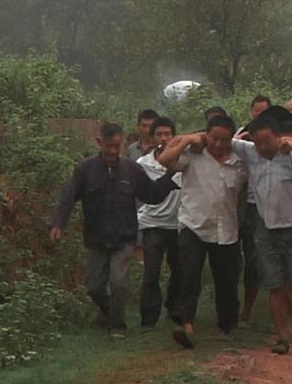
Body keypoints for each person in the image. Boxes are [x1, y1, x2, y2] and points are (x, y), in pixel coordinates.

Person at [51, 122, 179, 337]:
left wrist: (170, 176)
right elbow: (68, 197)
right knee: (95, 287)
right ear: (99, 142)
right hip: (95, 238)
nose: (112, 151)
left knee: (119, 283)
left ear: (122, 144)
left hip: (124, 237)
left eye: (116, 147)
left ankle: (117, 326)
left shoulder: (131, 169)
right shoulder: (85, 170)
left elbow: (152, 196)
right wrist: (58, 224)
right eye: (108, 146)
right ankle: (109, 312)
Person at [158, 115, 248, 349]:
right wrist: (188, 138)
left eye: (224, 140)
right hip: (193, 224)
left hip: (226, 228)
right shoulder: (193, 156)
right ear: (206, 135)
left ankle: (227, 326)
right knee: (189, 275)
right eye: (213, 138)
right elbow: (165, 159)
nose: (218, 144)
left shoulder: (240, 162)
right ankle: (187, 324)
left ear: (231, 139)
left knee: (226, 279)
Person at [231, 116, 292, 355]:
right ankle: (282, 336)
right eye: (257, 142)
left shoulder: (289, 156)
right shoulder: (249, 152)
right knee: (275, 285)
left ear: (279, 137)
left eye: (267, 141)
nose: (262, 147)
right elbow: (222, 141)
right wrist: (243, 137)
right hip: (266, 229)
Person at [135, 117, 184, 329]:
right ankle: (148, 319)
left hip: (179, 223)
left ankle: (174, 308)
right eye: (159, 134)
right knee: (151, 273)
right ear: (152, 138)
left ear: (174, 136)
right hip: (152, 223)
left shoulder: (184, 161)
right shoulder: (143, 164)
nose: (163, 138)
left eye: (168, 134)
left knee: (180, 270)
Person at [237, 94, 271, 325]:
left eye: (264, 112)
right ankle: (247, 309)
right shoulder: (243, 136)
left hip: (276, 207)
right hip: (250, 206)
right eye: (256, 112)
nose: (259, 116)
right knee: (252, 257)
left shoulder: (276, 135)